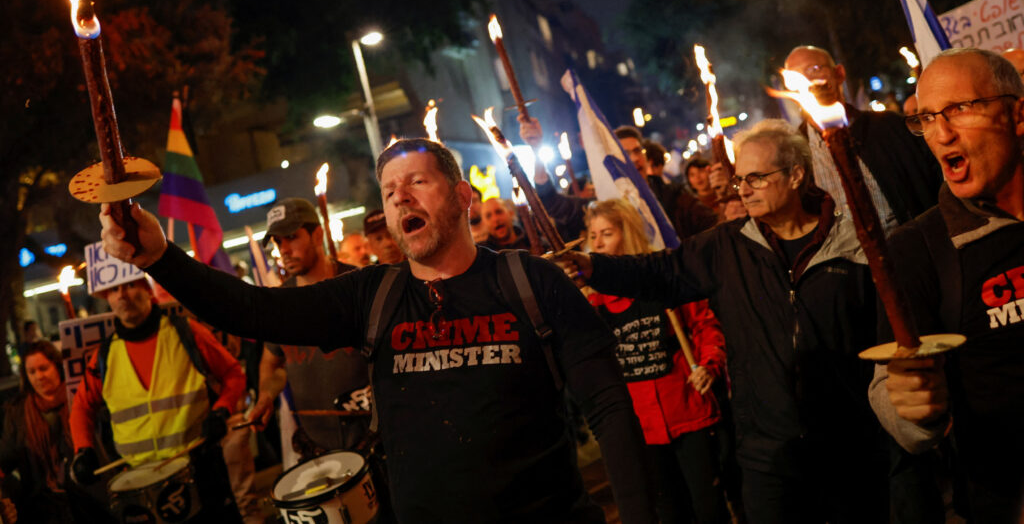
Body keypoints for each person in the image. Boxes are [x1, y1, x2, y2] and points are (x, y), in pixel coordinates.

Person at [97, 137, 657, 524]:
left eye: (417, 182)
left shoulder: (532, 282)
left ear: (462, 197)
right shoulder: (372, 295)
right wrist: (160, 257)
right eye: (389, 191)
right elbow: (253, 310)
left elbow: (610, 409)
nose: (400, 197)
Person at [558, 120, 889, 524]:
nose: (743, 189)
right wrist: (593, 267)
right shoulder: (727, 245)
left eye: (756, 178)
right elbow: (659, 272)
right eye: (739, 180)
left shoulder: (852, 243)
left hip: (848, 446)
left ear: (796, 175)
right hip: (767, 456)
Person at [869, 48, 1024, 522]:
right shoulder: (917, 249)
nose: (941, 134)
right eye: (927, 118)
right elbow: (892, 386)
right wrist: (912, 407)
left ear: (1017, 115)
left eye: (959, 109)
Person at [586, 199, 728, 524]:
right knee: (669, 511)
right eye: (593, 236)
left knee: (709, 507)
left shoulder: (663, 278)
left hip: (687, 411)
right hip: (641, 427)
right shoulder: (592, 300)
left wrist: (709, 363)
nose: (598, 244)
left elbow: (704, 325)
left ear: (627, 233)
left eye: (606, 233)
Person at [68, 276, 247, 523]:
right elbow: (81, 408)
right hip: (141, 484)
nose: (122, 295)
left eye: (130, 285)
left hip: (201, 470)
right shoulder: (104, 356)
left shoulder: (187, 332)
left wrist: (222, 411)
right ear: (107, 299)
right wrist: (83, 450)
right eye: (113, 289)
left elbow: (233, 374)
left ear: (149, 290)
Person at [249, 198, 370, 460]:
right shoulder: (280, 302)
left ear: (317, 235)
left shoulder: (359, 285)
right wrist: (266, 395)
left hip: (373, 440)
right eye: (278, 241)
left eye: (291, 237)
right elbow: (273, 365)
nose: (284, 249)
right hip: (317, 449)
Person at [783, 45, 941, 232]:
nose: (809, 81)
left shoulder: (890, 127)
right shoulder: (794, 154)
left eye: (815, 69)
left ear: (839, 73)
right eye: (796, 77)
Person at [521, 118, 717, 242]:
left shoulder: (674, 196)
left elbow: (712, 224)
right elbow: (551, 202)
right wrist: (536, 148)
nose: (634, 159)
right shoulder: (606, 205)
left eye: (637, 151)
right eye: (625, 154)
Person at [0, 340, 87, 523]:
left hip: (88, 499)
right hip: (45, 509)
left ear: (57, 367)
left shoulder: (79, 398)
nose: (38, 376)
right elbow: (6, 456)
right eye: (32, 372)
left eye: (43, 368)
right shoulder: (18, 412)